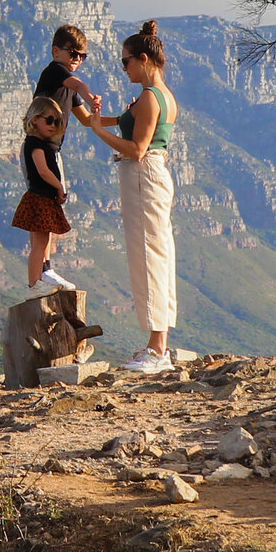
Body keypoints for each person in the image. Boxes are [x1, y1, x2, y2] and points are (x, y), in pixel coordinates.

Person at [76, 20, 179, 373]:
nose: (124, 68)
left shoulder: (151, 99)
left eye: (127, 62)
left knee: (147, 256)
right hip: (152, 176)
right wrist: (91, 116)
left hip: (143, 176)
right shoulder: (161, 97)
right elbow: (119, 122)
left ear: (145, 59)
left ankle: (157, 349)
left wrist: (96, 132)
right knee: (158, 255)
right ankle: (158, 345)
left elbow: (137, 149)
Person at [11, 95, 77, 297]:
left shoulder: (37, 142)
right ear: (34, 120)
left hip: (42, 198)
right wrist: (59, 187)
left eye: (56, 121)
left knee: (42, 242)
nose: (52, 125)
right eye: (48, 120)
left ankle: (38, 281)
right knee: (39, 245)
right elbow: (43, 171)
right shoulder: (35, 145)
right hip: (40, 198)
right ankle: (34, 284)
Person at [34, 23, 101, 114]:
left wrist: (119, 120)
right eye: (73, 53)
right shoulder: (54, 70)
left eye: (82, 56)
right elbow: (79, 85)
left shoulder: (69, 86)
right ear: (56, 51)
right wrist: (92, 102)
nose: (77, 59)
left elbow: (87, 119)